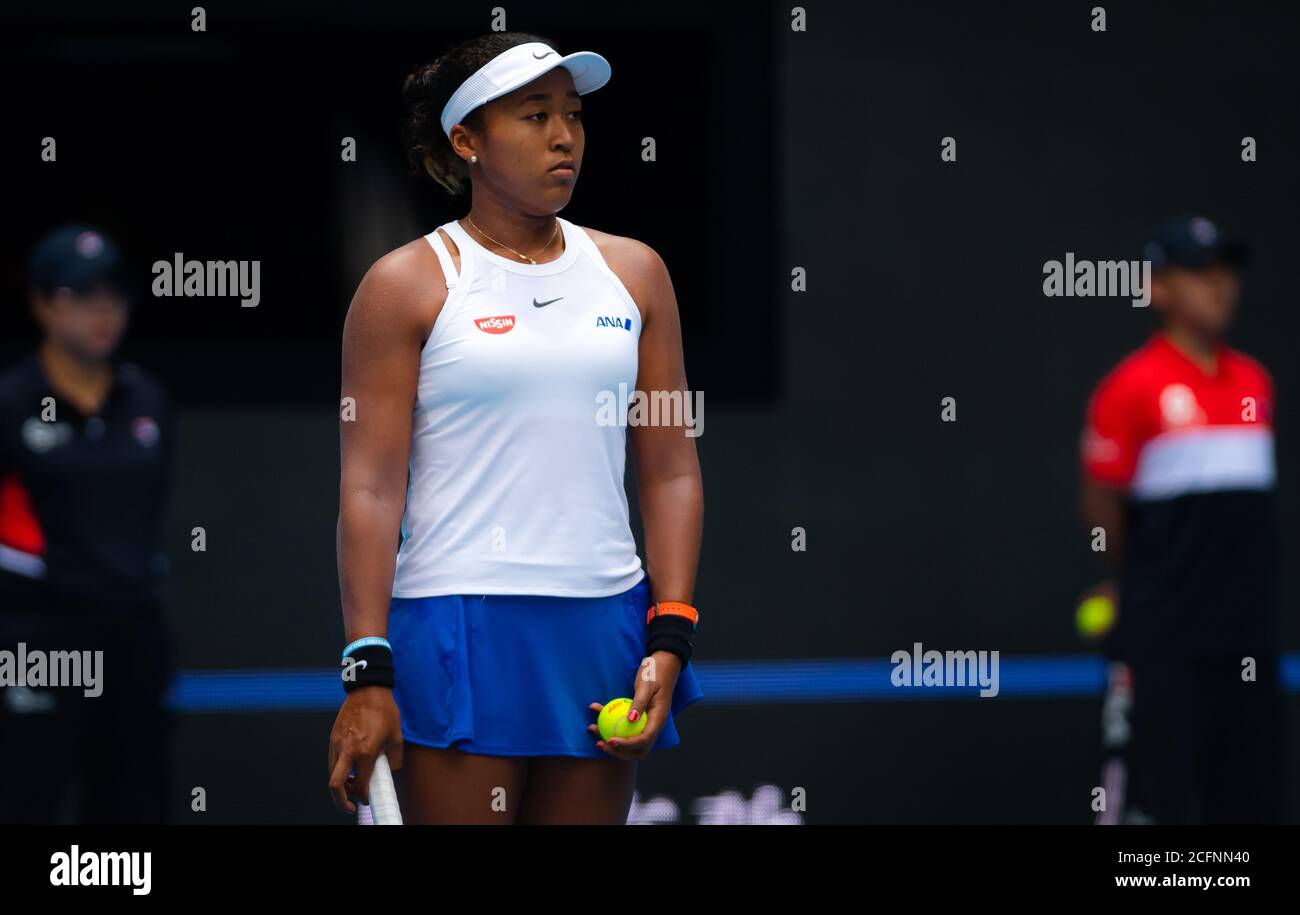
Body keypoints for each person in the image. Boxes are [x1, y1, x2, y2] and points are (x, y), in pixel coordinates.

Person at [327, 32, 705, 825]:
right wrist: (367, 672)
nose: (564, 136)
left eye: (572, 114)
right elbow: (368, 486)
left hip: (604, 623)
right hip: (457, 623)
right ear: (466, 141)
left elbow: (670, 466)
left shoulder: (637, 274)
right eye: (535, 116)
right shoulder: (405, 284)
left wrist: (670, 632)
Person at [1079, 215, 1283, 824]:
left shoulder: (1255, 381)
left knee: (1250, 804)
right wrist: (1138, 585)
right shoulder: (1130, 388)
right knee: (1156, 809)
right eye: (1199, 274)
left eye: (1225, 273)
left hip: (1246, 640)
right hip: (1165, 641)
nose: (1219, 287)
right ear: (1158, 288)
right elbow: (1102, 502)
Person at [0, 224, 176, 824]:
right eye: (81, 296)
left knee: (136, 811)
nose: (103, 312)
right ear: (43, 304)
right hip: (36, 638)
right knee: (27, 799)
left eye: (113, 295)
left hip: (133, 635)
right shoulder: (10, 402)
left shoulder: (146, 399)